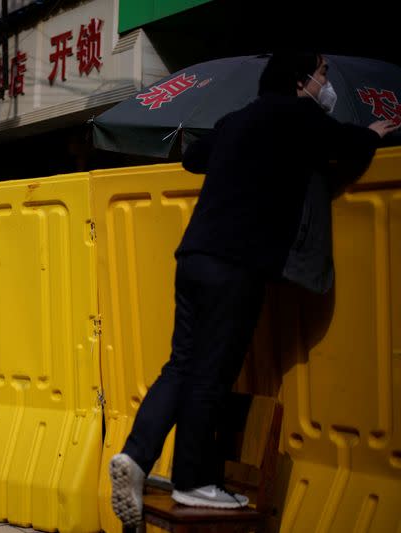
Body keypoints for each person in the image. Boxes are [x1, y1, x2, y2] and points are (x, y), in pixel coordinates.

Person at [108, 51, 399, 528]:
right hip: (236, 265)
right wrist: (372, 134)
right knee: (213, 373)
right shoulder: (298, 115)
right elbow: (344, 143)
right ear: (302, 80)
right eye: (323, 73)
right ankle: (194, 480)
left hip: (194, 256)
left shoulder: (237, 119)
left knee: (181, 363)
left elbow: (194, 158)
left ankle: (136, 457)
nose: (325, 82)